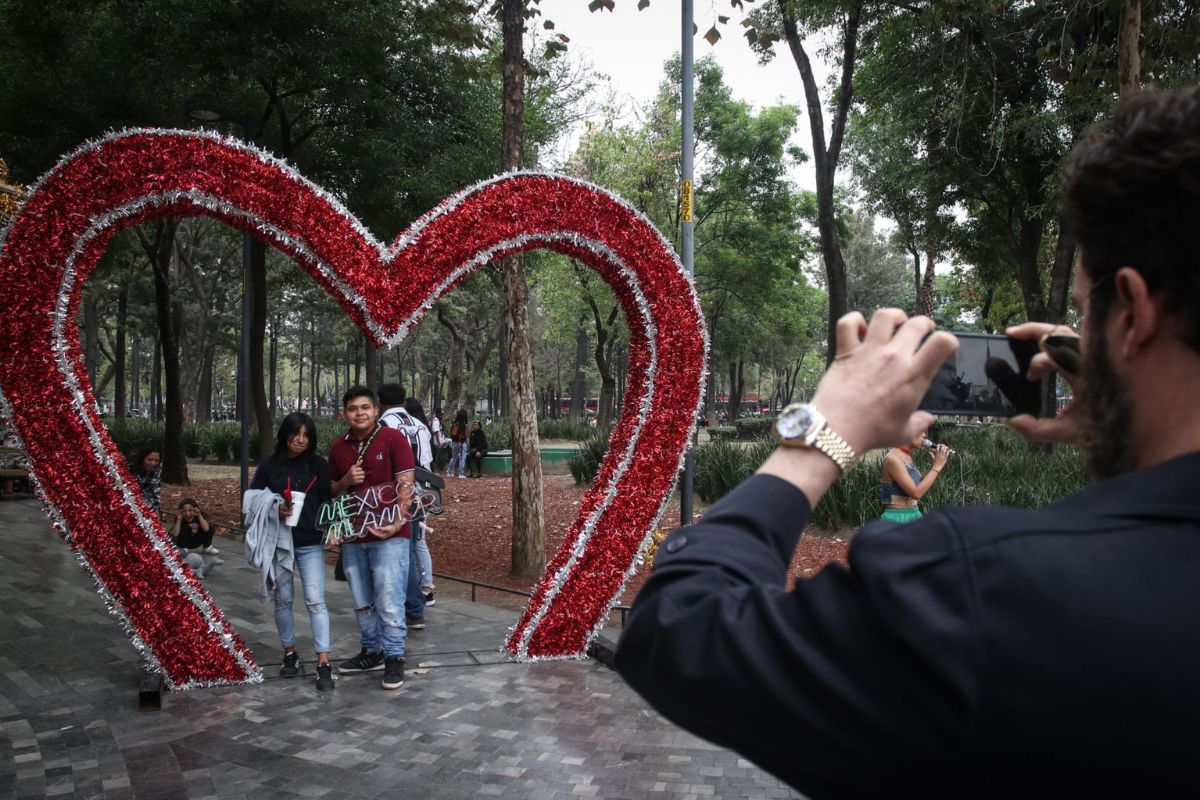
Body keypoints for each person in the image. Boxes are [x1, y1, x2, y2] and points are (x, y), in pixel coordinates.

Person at [615, 86, 1200, 796]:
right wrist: (1125, 413)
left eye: (1083, 309)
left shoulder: (990, 594)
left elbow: (678, 629)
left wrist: (821, 430)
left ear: (1132, 313)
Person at [329, 386, 415, 690]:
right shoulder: (338, 448)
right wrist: (344, 481)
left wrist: (397, 521)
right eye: (353, 408)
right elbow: (333, 492)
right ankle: (371, 651)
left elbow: (405, 481)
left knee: (389, 600)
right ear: (345, 413)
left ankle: (394, 656)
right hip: (355, 536)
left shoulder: (393, 438)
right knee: (362, 600)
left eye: (365, 407)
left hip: (390, 536)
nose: (360, 413)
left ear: (376, 410)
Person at [248, 413, 335, 691]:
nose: (300, 440)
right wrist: (275, 507)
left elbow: (327, 499)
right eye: (295, 434)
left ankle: (323, 661)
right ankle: (290, 654)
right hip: (279, 541)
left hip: (310, 541)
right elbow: (252, 499)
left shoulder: (318, 465)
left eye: (306, 435)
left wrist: (332, 529)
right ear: (284, 435)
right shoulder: (270, 466)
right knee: (283, 599)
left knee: (315, 600)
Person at [376, 384, 428, 630]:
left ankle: (410, 607)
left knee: (399, 553)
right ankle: (414, 609)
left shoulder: (383, 427)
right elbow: (428, 463)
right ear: (404, 403)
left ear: (380, 403)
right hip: (420, 495)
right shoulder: (421, 426)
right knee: (410, 549)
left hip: (392, 496)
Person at [878, 429, 950, 522]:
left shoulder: (907, 457)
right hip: (898, 518)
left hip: (914, 513)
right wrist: (936, 468)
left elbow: (921, 485)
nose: (924, 435)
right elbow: (916, 493)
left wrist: (937, 465)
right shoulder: (893, 459)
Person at [406, 397, 437, 605]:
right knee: (418, 539)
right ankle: (424, 585)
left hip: (417, 490)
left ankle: (426, 587)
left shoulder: (411, 434)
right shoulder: (424, 430)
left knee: (417, 539)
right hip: (427, 488)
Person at [168, 498, 222, 579]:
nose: (187, 513)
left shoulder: (198, 517)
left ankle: (207, 547)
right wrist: (179, 520)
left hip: (196, 540)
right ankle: (186, 552)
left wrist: (199, 515)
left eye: (190, 510)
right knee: (175, 533)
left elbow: (206, 529)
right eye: (185, 511)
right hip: (183, 543)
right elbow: (175, 534)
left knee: (209, 527)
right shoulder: (180, 519)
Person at [132, 447, 162, 515]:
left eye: (156, 461)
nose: (153, 463)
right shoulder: (130, 469)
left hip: (147, 505)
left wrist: (157, 509)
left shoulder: (156, 471)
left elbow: (155, 492)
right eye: (149, 460)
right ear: (142, 458)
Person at [448, 408, 469, 479]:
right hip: (461, 442)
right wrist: (464, 441)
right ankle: (461, 473)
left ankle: (449, 471)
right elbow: (465, 435)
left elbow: (452, 433)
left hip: (455, 442)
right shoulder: (464, 425)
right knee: (462, 458)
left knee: (454, 457)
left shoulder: (455, 424)